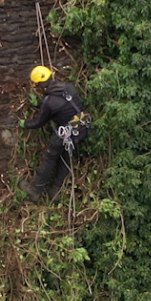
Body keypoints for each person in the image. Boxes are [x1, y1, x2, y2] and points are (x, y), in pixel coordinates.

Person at [17, 66, 90, 202]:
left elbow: (39, 122)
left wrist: (24, 123)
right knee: (65, 158)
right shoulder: (69, 87)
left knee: (50, 159)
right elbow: (62, 106)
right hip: (80, 129)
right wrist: (39, 104)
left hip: (65, 133)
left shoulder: (49, 102)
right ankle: (55, 191)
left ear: (39, 85)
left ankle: (35, 190)